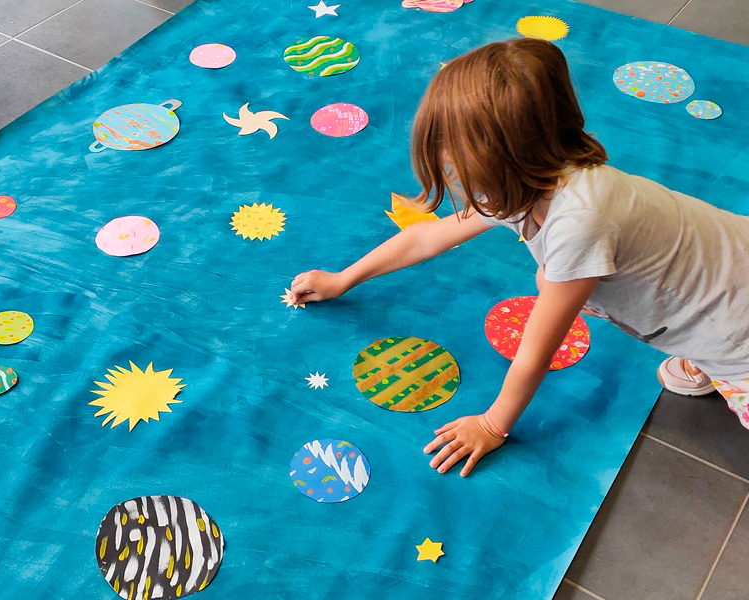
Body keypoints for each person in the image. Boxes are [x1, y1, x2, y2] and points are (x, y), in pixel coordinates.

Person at [290, 38, 749, 477]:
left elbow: (537, 349)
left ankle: (714, 362)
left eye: (453, 147)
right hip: (727, 270)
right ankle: (701, 355)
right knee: (551, 277)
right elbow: (426, 239)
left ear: (501, 154)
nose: (446, 159)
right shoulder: (532, 175)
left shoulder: (580, 221)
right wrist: (341, 279)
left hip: (736, 332)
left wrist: (492, 425)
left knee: (553, 280)